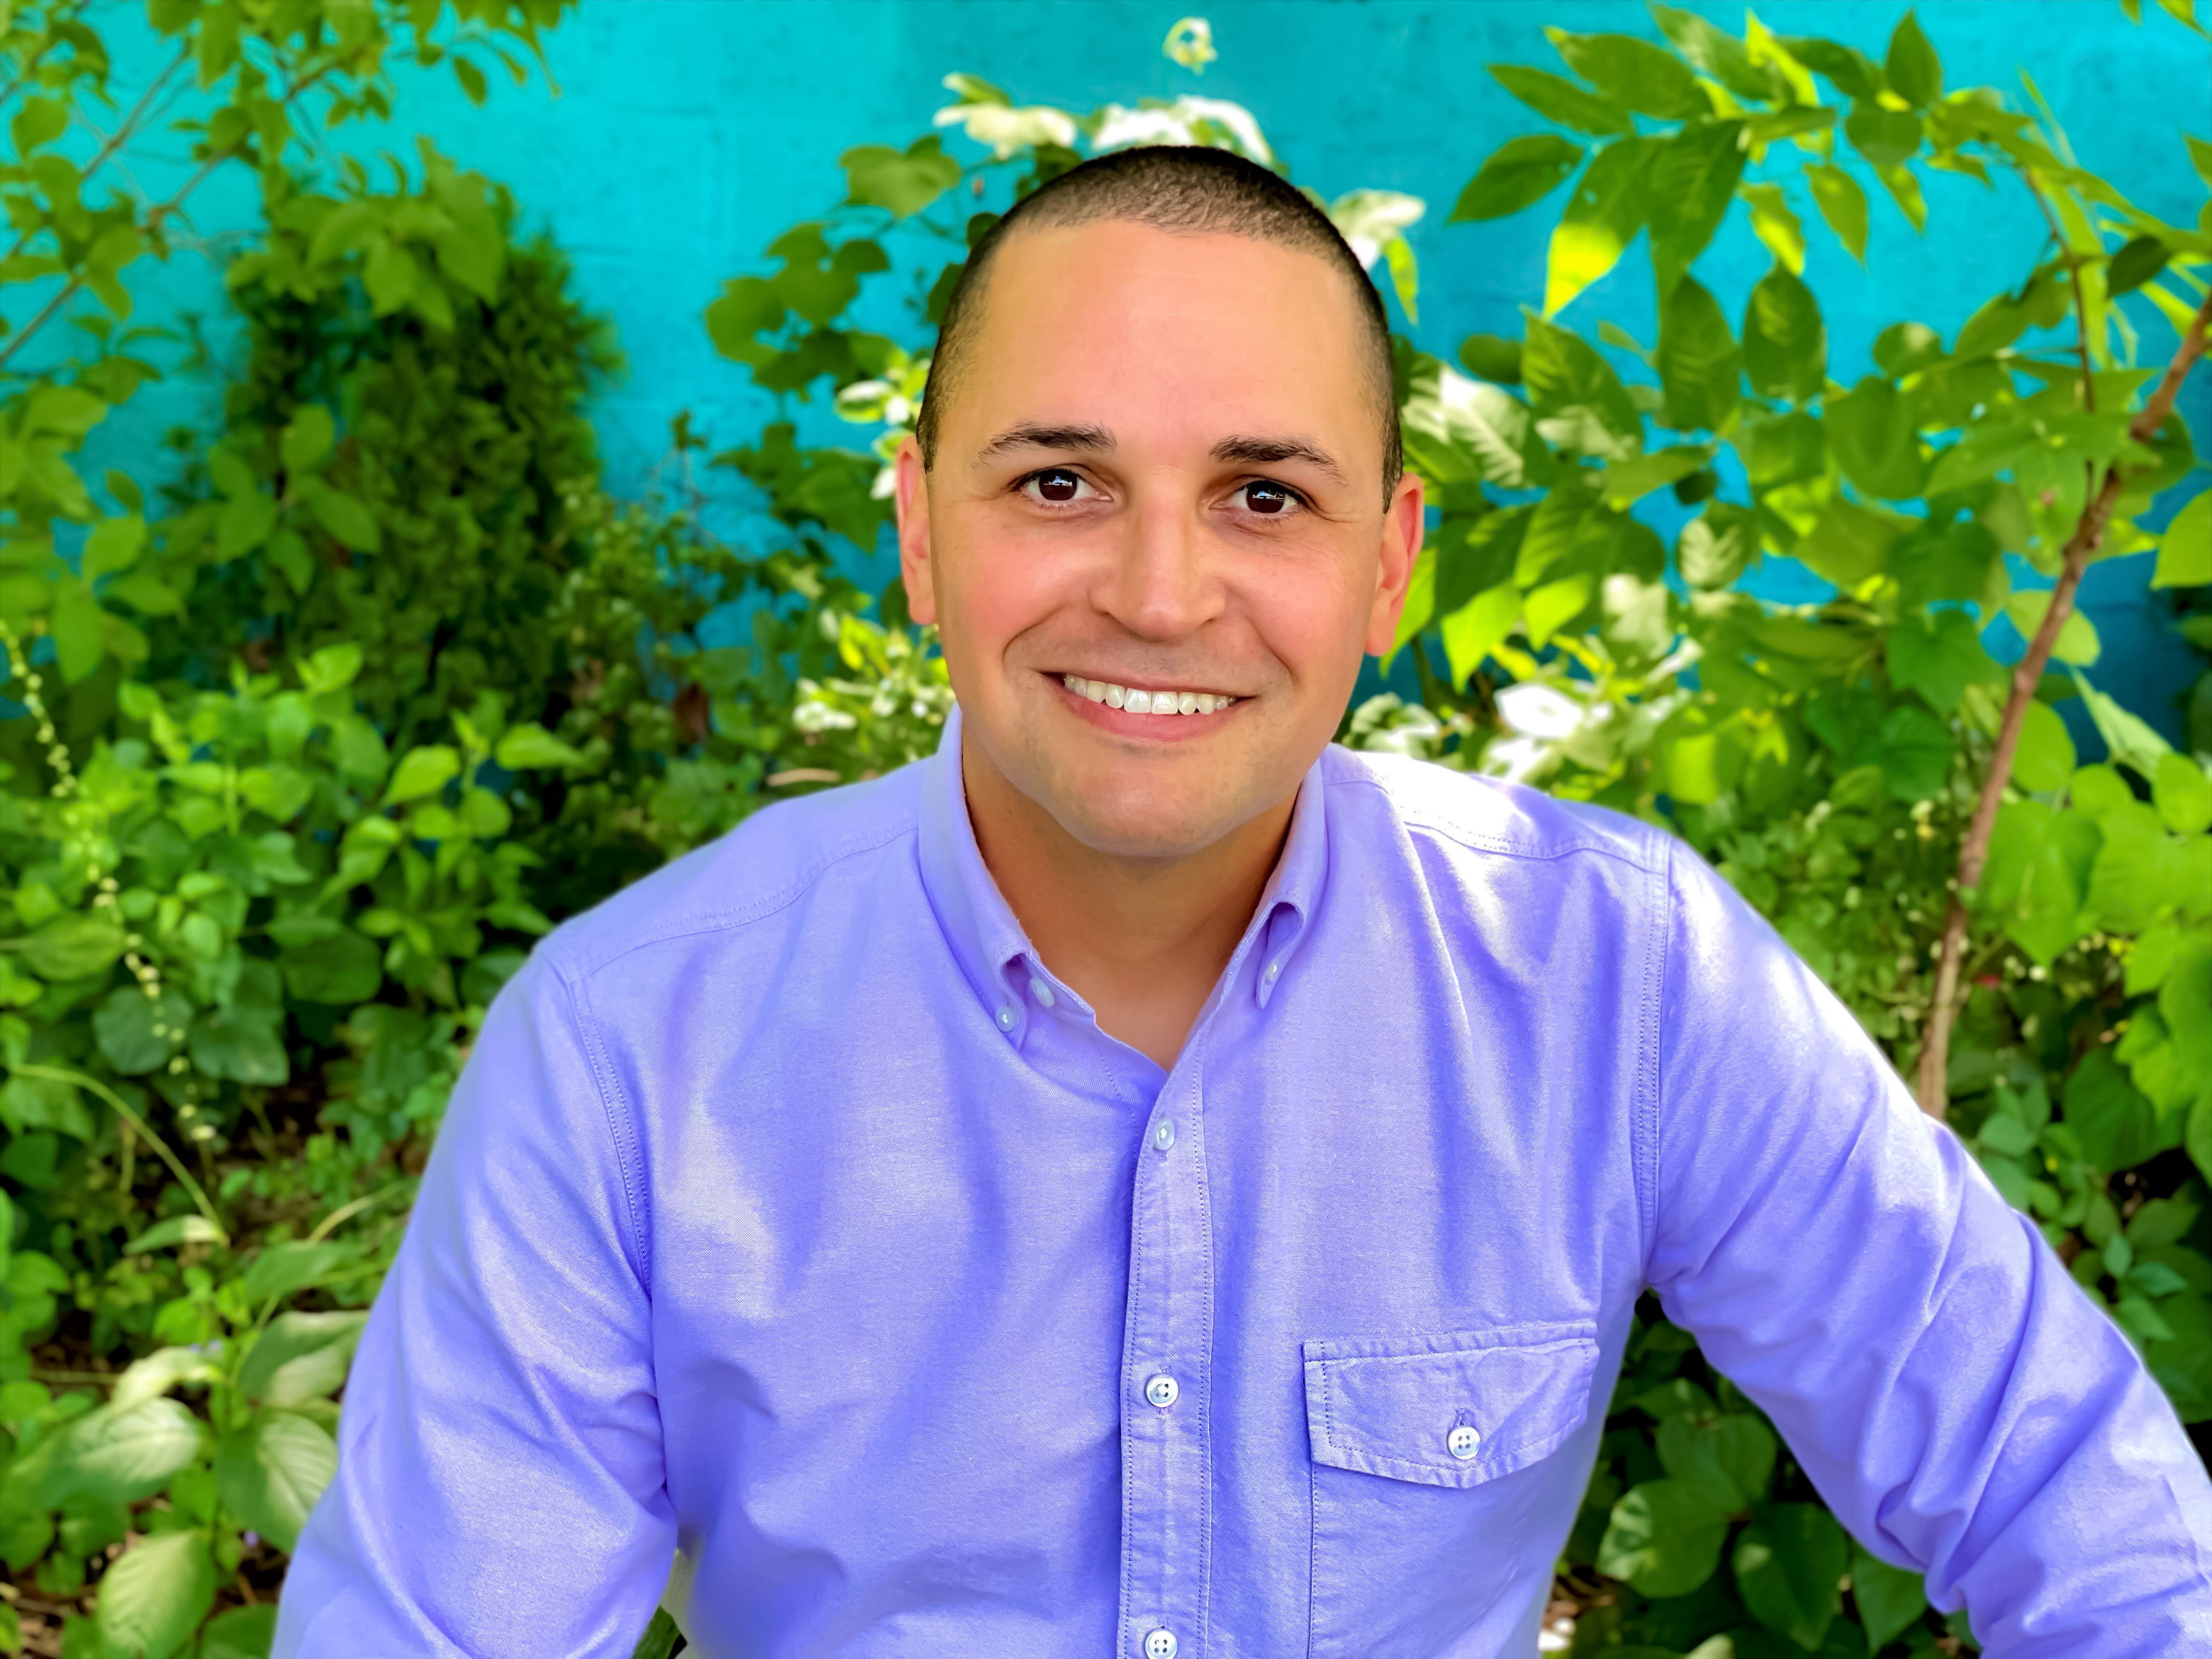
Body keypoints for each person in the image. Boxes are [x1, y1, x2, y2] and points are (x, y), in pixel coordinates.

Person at [273, 145, 2212, 1658]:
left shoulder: (1616, 976)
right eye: (1058, 483)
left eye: (1266, 497)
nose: (1163, 593)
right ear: (919, 532)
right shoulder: (630, 1051)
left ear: (1389, 565)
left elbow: (2076, 1496)